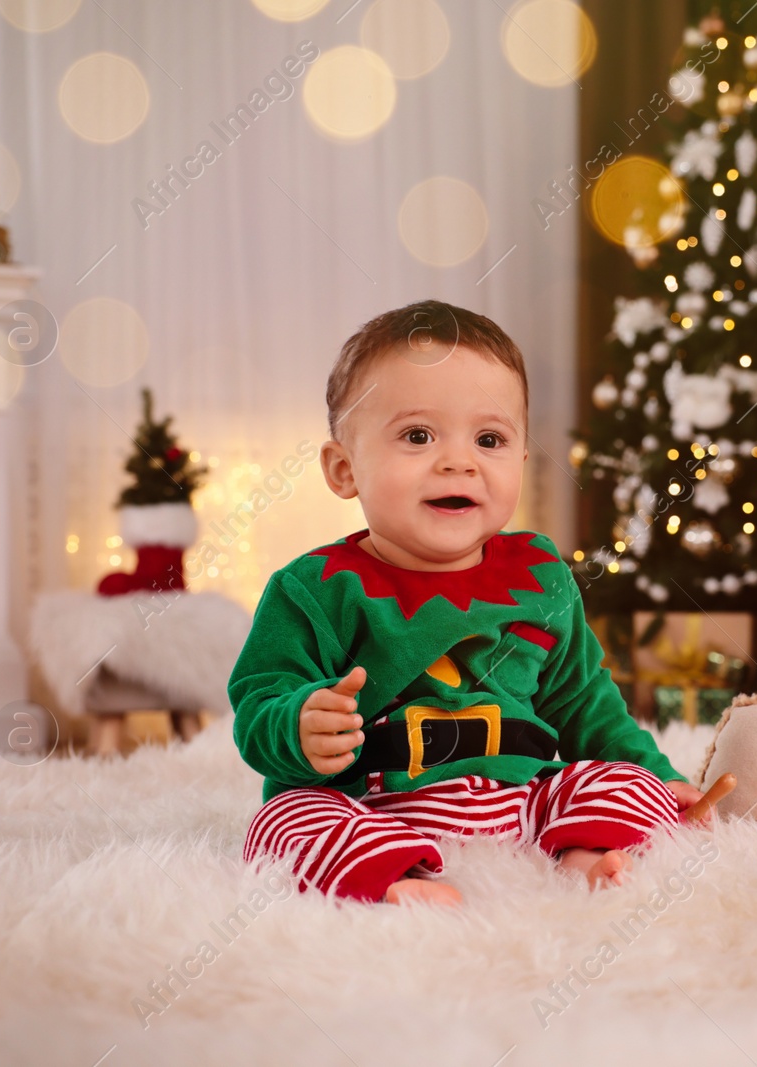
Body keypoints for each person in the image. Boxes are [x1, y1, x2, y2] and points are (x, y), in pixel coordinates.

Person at [231, 299, 705, 907]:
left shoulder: (540, 574)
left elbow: (583, 700)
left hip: (519, 800)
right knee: (283, 821)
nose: (459, 461)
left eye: (490, 439)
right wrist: (299, 725)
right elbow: (258, 702)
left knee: (628, 784)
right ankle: (395, 880)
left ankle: (580, 849)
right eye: (418, 435)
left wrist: (661, 778)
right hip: (371, 804)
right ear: (344, 469)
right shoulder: (317, 587)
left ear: (522, 462)